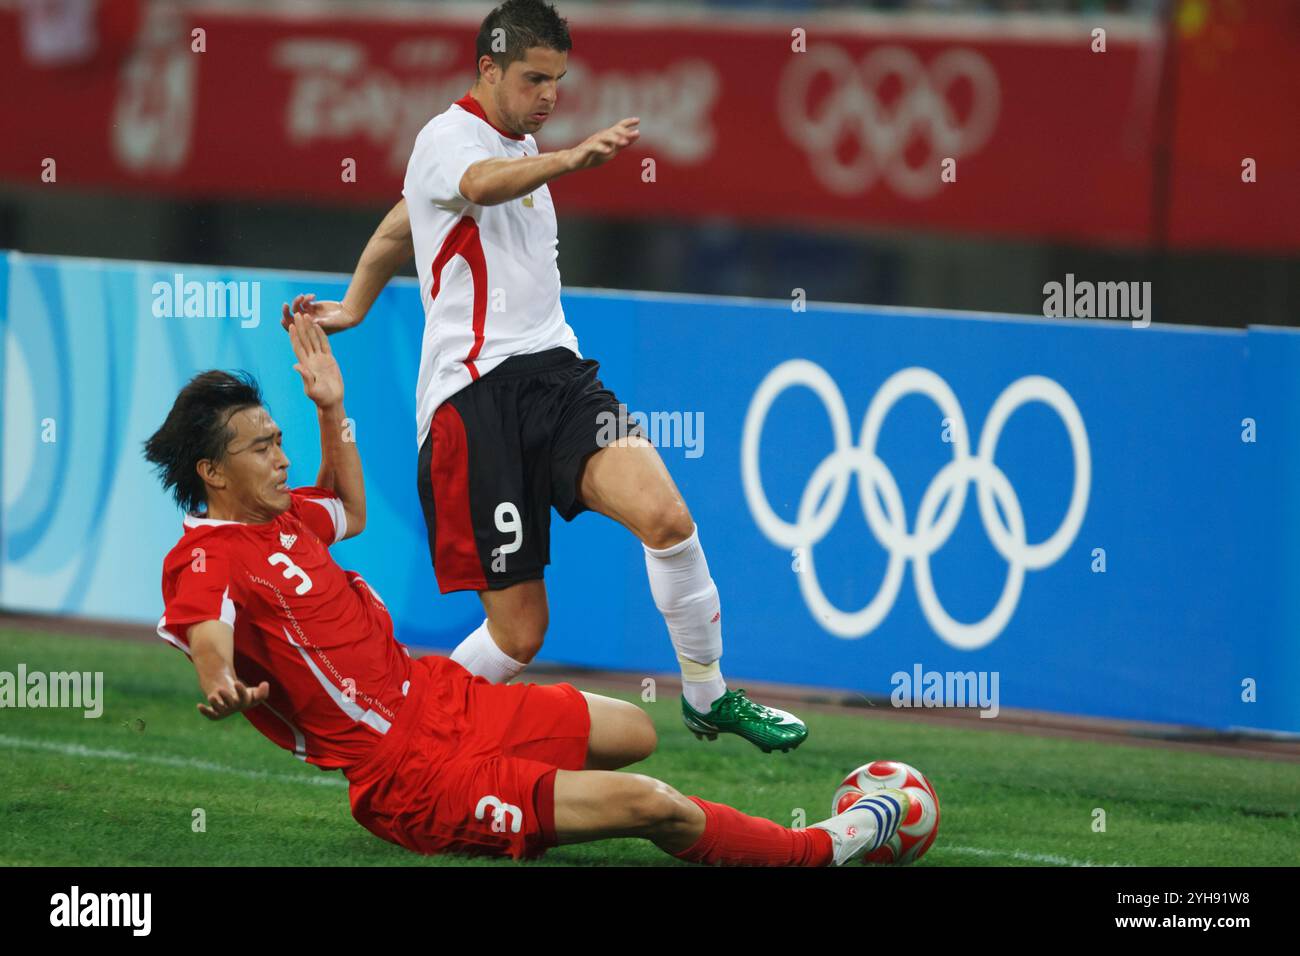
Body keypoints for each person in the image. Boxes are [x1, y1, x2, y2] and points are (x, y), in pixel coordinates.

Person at [143, 314, 907, 865]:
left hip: (440, 697)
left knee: (633, 734)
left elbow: (350, 507)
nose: (282, 459)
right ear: (212, 473)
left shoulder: (287, 520)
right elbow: (210, 638)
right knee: (652, 804)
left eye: (280, 441)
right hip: (406, 776)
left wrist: (331, 406)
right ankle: (822, 848)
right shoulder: (202, 559)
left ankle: (521, 811)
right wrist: (221, 683)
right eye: (263, 448)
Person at [280, 0, 806, 753]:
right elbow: (481, 184)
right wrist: (568, 158)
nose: (549, 96)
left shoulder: (509, 145)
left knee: (668, 519)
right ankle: (410, 738)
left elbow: (404, 221)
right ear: (489, 67)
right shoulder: (450, 138)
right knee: (521, 634)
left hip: (560, 378)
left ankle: (707, 696)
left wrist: (356, 304)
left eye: (558, 80)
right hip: (474, 400)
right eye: (534, 78)